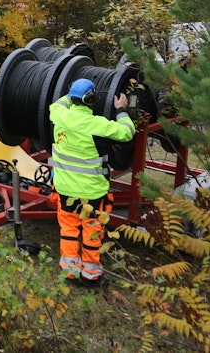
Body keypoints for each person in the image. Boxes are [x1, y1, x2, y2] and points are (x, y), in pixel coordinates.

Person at [49, 77, 136, 286]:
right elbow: (127, 132)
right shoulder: (98, 125)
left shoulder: (58, 115)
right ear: (93, 99)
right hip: (92, 192)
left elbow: (58, 103)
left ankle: (70, 271)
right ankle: (90, 275)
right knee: (91, 231)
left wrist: (73, 94)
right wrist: (121, 110)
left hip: (65, 187)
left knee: (69, 228)